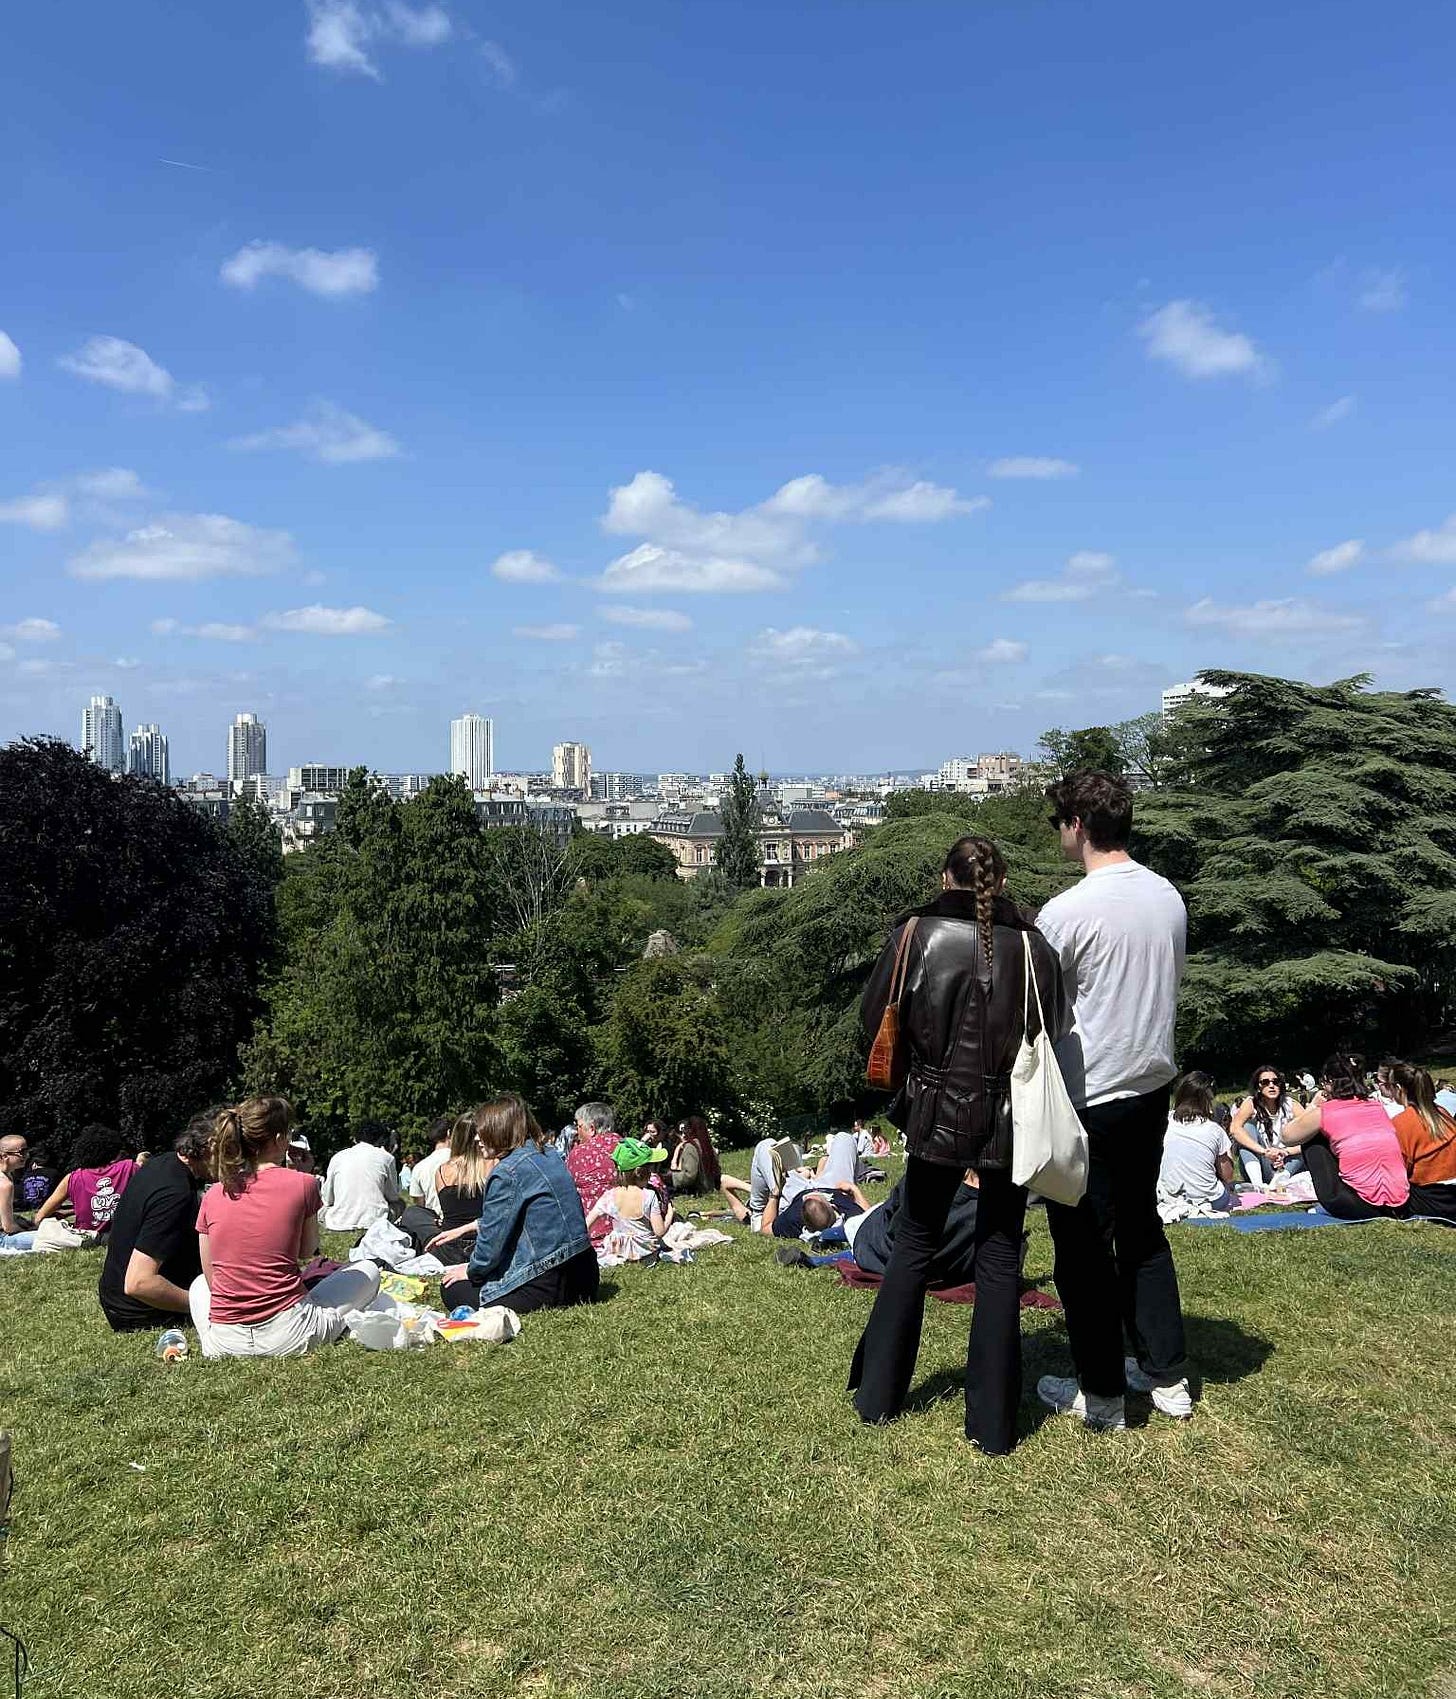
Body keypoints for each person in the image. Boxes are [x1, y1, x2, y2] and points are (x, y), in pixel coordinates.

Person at [850, 833, 1067, 1456]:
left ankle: (879, 1395)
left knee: (914, 1241)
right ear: (999, 884)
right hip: (1011, 1112)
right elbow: (1051, 1029)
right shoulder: (1034, 948)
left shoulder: (917, 935)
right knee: (1000, 1255)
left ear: (947, 879)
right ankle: (994, 1423)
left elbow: (874, 1021)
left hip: (934, 1106)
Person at [1033, 770, 1192, 1429]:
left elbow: (1039, 1007)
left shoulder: (1067, 913)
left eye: (1058, 821)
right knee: (1142, 1230)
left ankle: (1102, 1395)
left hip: (1090, 1094)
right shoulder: (1168, 898)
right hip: (1151, 1083)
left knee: (1083, 1250)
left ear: (1078, 823)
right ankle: (1167, 1375)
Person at [190, 1097, 380, 1357]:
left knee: (199, 1284)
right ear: (280, 1138)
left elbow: (210, 1273)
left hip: (225, 1340)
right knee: (368, 1270)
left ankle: (212, 1339)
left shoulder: (214, 1194)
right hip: (289, 1333)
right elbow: (307, 1250)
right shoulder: (303, 1183)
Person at [440, 1096, 598, 1316]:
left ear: (500, 1130)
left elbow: (490, 1248)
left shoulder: (506, 1171)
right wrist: (468, 1227)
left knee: (452, 1289)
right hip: (585, 1274)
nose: (477, 1138)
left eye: (482, 1131)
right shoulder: (549, 1154)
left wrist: (471, 1270)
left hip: (550, 1283)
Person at [98, 1113, 215, 1331]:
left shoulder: (163, 1163)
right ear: (207, 1150)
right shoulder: (174, 1194)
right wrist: (207, 1307)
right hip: (139, 1311)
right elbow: (139, 1283)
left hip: (114, 1296)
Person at [1276, 1053, 1410, 1220]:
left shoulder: (1326, 1111)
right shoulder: (1376, 1107)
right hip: (1400, 1203)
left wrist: (1313, 1105)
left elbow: (1287, 1137)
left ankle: (1329, 1202)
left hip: (1358, 1205)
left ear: (1329, 1082)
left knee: (1312, 1139)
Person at [31, 1124, 138, 1238]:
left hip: (87, 1235)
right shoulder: (130, 1168)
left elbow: (39, 1218)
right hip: (125, 1233)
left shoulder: (72, 1178)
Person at [415, 1113, 493, 1262]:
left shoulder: (442, 1171)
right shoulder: (493, 1165)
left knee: (414, 1213)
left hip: (450, 1248)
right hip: (484, 1244)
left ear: (453, 1135)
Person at [1383, 1063, 1456, 1221]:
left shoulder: (1401, 1123)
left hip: (1435, 1198)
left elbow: (1399, 1172)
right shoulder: (1441, 1113)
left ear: (1398, 1088)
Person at [1158, 1072, 1237, 1215]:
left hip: (1168, 1196)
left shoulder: (1164, 1121)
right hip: (1209, 1199)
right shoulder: (1214, 1130)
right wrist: (1226, 1142)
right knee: (1224, 1187)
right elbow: (1228, 1175)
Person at [586, 1138, 674, 1260]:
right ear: (640, 1172)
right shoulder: (649, 1195)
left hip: (618, 1249)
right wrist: (670, 1213)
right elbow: (659, 1231)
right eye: (650, 1168)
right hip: (645, 1249)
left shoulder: (609, 1196)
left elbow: (587, 1224)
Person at [319, 1119, 401, 1233]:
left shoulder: (338, 1157)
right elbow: (393, 1197)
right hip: (375, 1221)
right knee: (400, 1204)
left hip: (338, 1222)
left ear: (356, 1138)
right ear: (381, 1139)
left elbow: (328, 1199)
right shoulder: (386, 1158)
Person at [1228, 1066, 1305, 1185]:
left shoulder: (1291, 1105)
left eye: (1275, 1082)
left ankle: (1281, 1179)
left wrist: (1285, 1152)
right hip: (1263, 1161)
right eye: (1265, 1082)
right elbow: (1234, 1129)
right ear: (1258, 1086)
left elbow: (1311, 1135)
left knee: (1307, 1143)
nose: (1271, 1085)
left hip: (1287, 1163)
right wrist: (1265, 1152)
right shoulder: (1251, 1103)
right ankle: (1257, 1184)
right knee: (1247, 1128)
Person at [565, 1102, 621, 1245]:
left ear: (591, 1129)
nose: (577, 1132)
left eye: (578, 1126)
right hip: (630, 1226)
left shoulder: (578, 1154)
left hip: (593, 1229)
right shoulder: (627, 1146)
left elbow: (566, 1188)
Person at [407, 1115, 454, 1216]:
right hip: (459, 1222)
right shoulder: (461, 1160)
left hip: (432, 1222)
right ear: (449, 1133)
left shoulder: (419, 1167)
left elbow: (420, 1204)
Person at [0, 1134, 37, 1252]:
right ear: (4, 1156)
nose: (27, 1156)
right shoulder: (5, 1184)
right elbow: (8, 1227)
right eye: (22, 1152)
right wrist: (26, 1231)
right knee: (46, 1237)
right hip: (3, 1239)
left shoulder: (7, 1176)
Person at [667, 1116, 721, 1196]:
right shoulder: (706, 1145)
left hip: (697, 1190)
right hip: (709, 1186)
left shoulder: (690, 1147)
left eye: (685, 1129)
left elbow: (690, 1176)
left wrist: (670, 1178)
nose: (684, 1134)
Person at [17, 1143, 60, 1212]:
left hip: (27, 1206)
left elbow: (21, 1192)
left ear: (34, 1164)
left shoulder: (26, 1175)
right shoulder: (54, 1173)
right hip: (47, 1206)